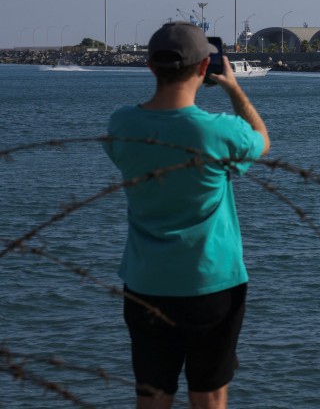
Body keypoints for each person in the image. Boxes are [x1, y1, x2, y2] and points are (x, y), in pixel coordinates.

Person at [104, 21, 270, 409]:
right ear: (203, 68)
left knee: (152, 395)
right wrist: (233, 87)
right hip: (211, 282)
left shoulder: (122, 124)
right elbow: (261, 140)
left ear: (150, 67)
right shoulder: (218, 131)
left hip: (146, 283)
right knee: (209, 395)